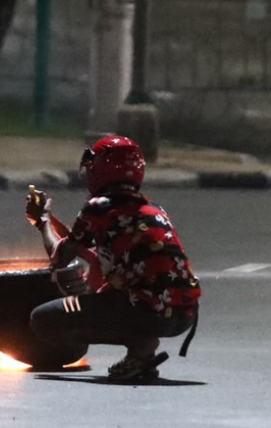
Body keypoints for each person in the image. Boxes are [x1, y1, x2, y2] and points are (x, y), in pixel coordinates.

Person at [25, 136, 200, 383]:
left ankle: (140, 344)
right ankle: (141, 354)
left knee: (42, 320)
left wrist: (42, 223)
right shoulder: (153, 209)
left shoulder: (99, 206)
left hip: (146, 312)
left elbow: (60, 257)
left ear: (100, 169)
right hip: (183, 314)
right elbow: (88, 250)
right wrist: (49, 220)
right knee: (99, 283)